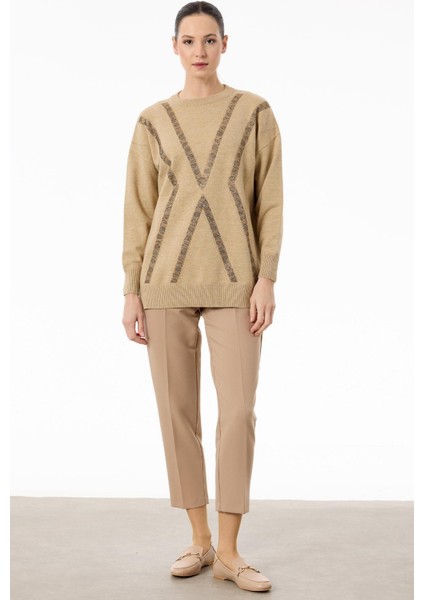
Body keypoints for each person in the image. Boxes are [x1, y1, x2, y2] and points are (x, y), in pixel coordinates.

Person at [121, 1, 283, 592]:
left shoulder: (253, 112)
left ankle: (231, 551)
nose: (199, 50)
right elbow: (138, 209)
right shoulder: (153, 120)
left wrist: (267, 277)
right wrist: (131, 288)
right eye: (188, 40)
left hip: (236, 283)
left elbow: (270, 200)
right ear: (174, 47)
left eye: (209, 39)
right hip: (163, 283)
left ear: (224, 44)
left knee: (237, 413)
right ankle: (199, 539)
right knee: (178, 415)